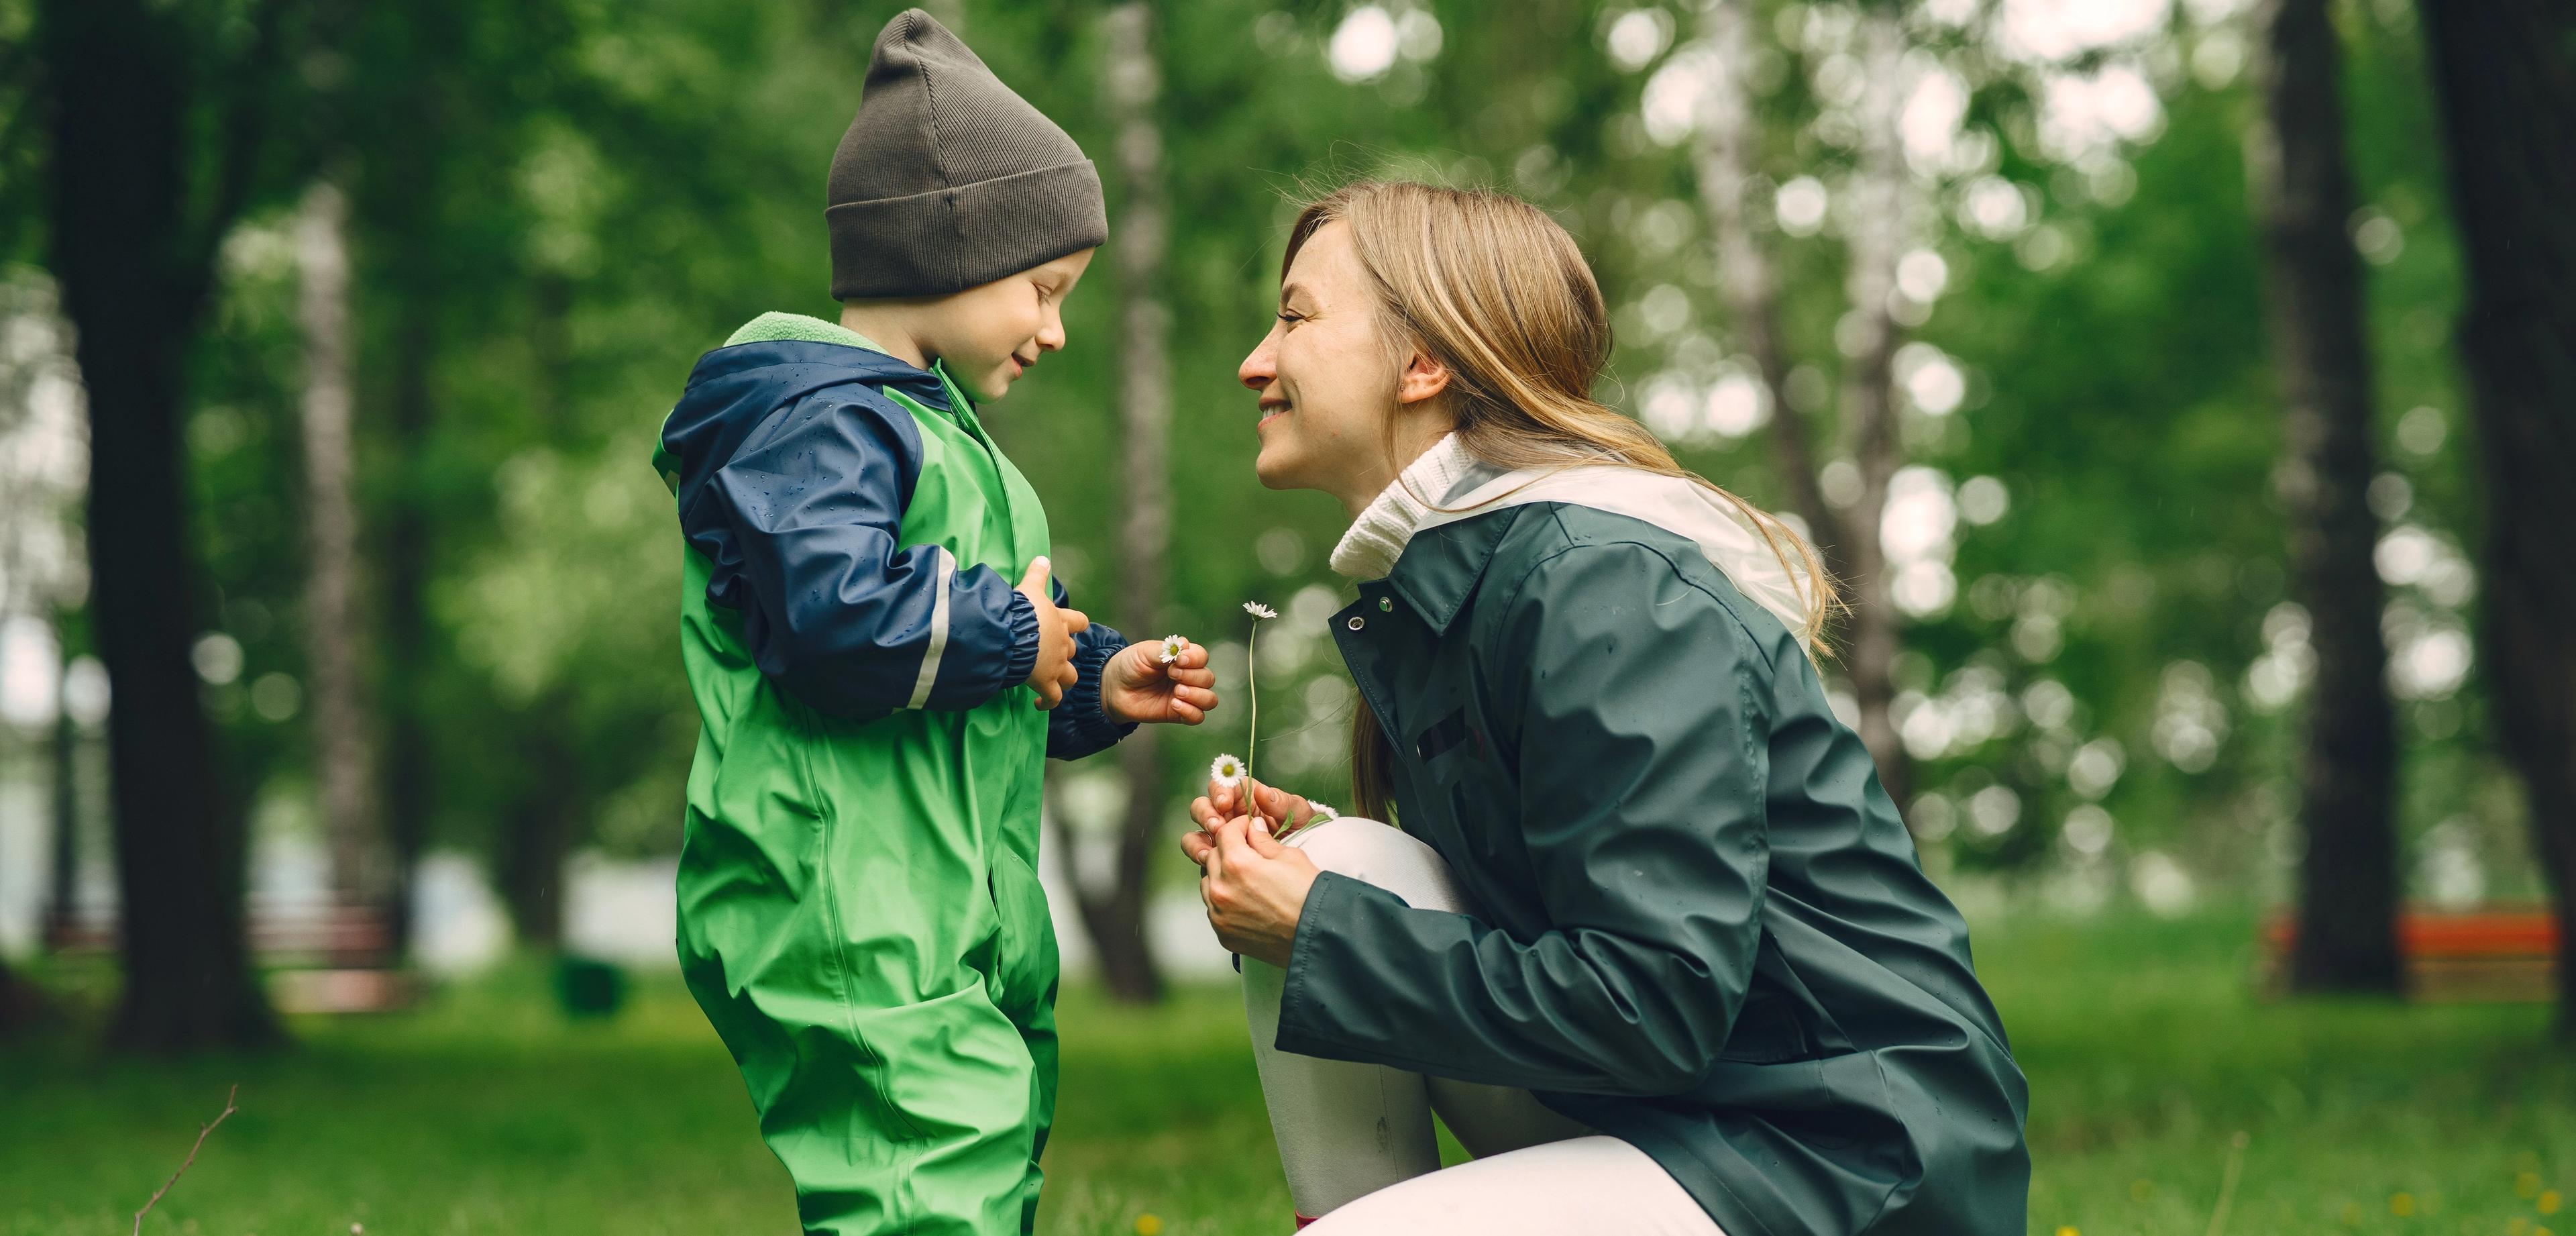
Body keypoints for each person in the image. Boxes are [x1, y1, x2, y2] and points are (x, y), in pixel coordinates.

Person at [1183, 181, 2031, 1235]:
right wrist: (1311, 892)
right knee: (1347, 863)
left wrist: (1319, 928)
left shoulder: (1604, 582)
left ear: (1422, 362)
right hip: (1677, 1112)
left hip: (1840, 1156)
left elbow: (1655, 996)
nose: (1255, 360)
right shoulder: (1464, 585)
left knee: (1326, 904)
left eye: (1297, 316)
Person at [654, 12, 1218, 1235]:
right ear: (950, 247)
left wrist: (1088, 674)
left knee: (987, 1151)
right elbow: (837, 617)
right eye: (1045, 288)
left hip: (950, 899)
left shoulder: (942, 441)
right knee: (924, 1185)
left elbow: (976, 646)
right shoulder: (815, 417)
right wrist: (1022, 636)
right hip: (846, 901)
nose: (1057, 328)